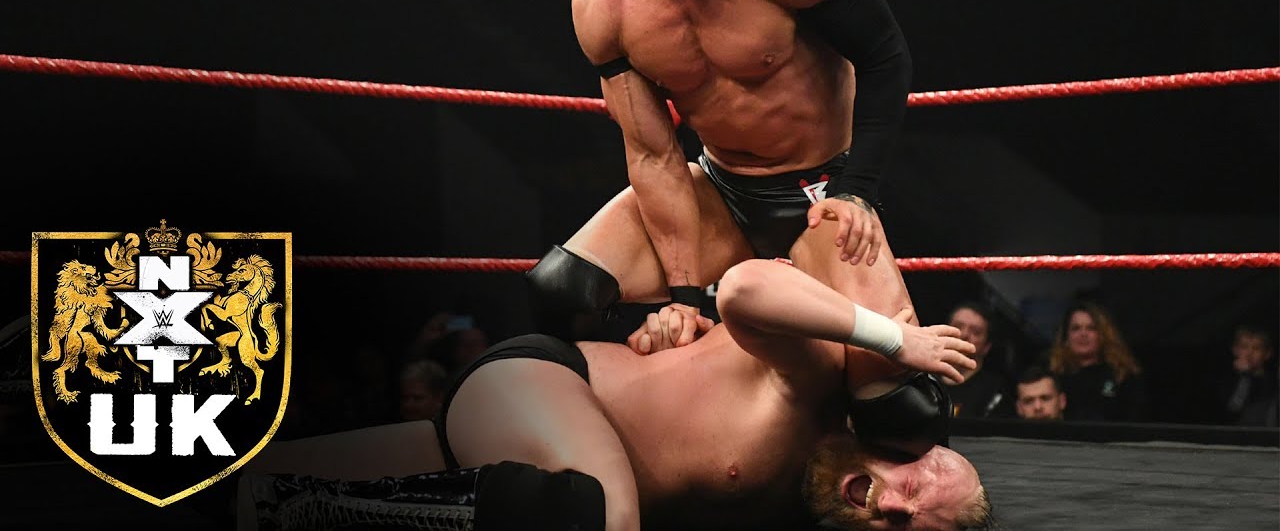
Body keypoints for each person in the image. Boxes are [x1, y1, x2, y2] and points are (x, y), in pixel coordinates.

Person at [242, 259, 992, 531]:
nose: (892, 508)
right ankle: (311, 513)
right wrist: (894, 340)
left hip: (516, 445)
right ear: (901, 443)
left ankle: (267, 493)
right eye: (914, 487)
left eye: (905, 530)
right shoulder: (815, 384)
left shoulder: (814, 506)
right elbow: (745, 287)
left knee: (243, 487)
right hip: (547, 382)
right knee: (602, 515)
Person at [527, 0, 914, 331]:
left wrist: (857, 190)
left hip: (823, 190)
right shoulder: (604, 0)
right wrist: (684, 298)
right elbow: (652, 153)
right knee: (561, 290)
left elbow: (885, 53)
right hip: (721, 193)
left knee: (891, 379)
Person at [1048, 301, 1147, 423]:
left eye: (1091, 328)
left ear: (1103, 335)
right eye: (1076, 328)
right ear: (1066, 337)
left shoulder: (1123, 376)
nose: (1083, 334)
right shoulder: (1054, 377)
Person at [941, 302, 1012, 419]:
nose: (964, 335)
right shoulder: (921, 379)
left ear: (986, 347)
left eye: (976, 332)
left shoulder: (994, 391)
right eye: (957, 327)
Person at [1216, 324, 1278, 426]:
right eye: (1244, 347)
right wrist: (1245, 376)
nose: (1249, 353)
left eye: (1256, 348)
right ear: (1235, 350)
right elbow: (1234, 408)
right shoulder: (1227, 379)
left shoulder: (1273, 380)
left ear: (1267, 353)